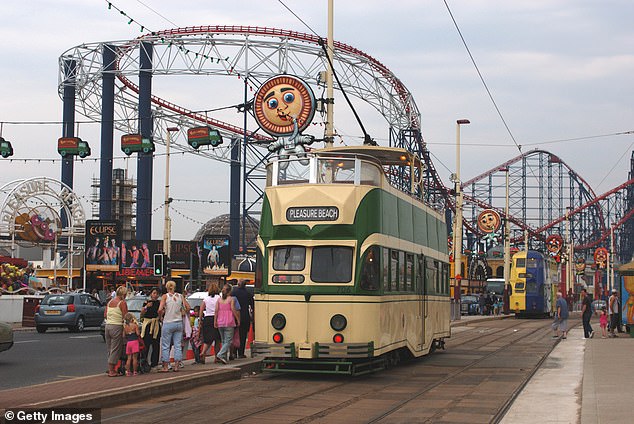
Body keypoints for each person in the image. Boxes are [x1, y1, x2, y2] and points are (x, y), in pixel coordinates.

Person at [158, 280, 189, 372]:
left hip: (168, 322)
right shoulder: (180, 296)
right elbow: (188, 307)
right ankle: (176, 366)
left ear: (167, 287)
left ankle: (166, 366)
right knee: (177, 345)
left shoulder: (165, 296)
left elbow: (160, 309)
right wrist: (182, 311)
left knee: (165, 345)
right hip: (178, 322)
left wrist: (161, 317)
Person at [105, 285, 128, 377]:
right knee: (116, 349)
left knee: (110, 348)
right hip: (117, 326)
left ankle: (110, 368)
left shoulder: (110, 302)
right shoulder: (122, 303)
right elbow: (125, 316)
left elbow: (105, 315)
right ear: (123, 294)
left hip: (108, 325)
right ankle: (112, 370)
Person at [214, 283, 240, 364]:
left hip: (220, 322)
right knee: (228, 341)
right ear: (230, 292)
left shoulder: (219, 300)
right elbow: (233, 309)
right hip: (229, 321)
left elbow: (216, 311)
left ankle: (224, 358)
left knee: (223, 340)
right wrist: (237, 319)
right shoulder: (231, 299)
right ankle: (221, 354)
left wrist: (215, 321)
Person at [199, 282, 221, 364]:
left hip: (207, 319)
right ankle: (216, 357)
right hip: (216, 318)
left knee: (207, 339)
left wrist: (200, 319)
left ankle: (203, 352)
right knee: (217, 339)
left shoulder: (206, 298)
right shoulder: (219, 298)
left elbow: (201, 309)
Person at [232, 279, 254, 359]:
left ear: (238, 285)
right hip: (245, 316)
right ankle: (241, 353)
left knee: (234, 335)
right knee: (243, 335)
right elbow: (252, 305)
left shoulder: (233, 293)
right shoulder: (248, 294)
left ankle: (233, 352)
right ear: (245, 285)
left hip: (234, 316)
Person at [141, 288, 161, 368]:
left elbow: (161, 313)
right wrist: (146, 307)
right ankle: (144, 362)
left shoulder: (159, 303)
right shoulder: (146, 302)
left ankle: (154, 363)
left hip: (155, 324)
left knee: (156, 344)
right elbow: (142, 313)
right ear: (151, 294)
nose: (155, 295)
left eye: (157, 293)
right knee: (146, 344)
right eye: (154, 293)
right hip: (148, 324)